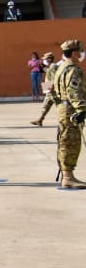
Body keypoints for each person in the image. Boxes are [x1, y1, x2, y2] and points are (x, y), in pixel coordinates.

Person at [49, 38, 86, 189]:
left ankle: (67, 176)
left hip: (63, 108)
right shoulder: (73, 69)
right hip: (71, 110)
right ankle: (68, 177)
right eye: (81, 51)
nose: (82, 53)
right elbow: (74, 91)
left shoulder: (60, 68)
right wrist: (81, 109)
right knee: (71, 143)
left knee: (65, 141)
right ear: (75, 53)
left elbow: (50, 90)